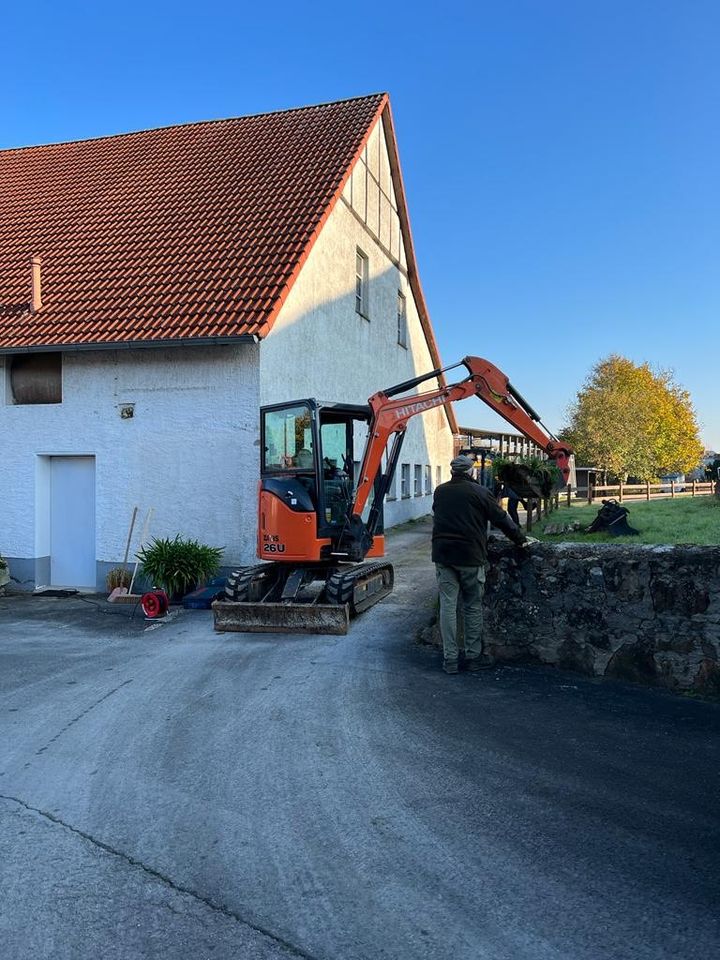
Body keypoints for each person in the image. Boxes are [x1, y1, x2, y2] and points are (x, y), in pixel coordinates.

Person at [432, 454, 531, 675]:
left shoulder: (440, 491)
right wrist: (520, 540)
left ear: (452, 472)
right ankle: (473, 657)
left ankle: (450, 660)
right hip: (470, 555)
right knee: (472, 605)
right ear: (470, 472)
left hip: (443, 555)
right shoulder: (479, 492)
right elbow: (502, 519)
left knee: (447, 607)